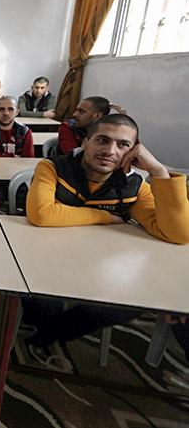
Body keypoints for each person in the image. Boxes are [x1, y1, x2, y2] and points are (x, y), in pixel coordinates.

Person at [25, 114, 189, 351]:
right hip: (47, 261)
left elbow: (178, 233)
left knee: (127, 305)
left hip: (104, 268)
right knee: (37, 306)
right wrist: (104, 216)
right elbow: (42, 214)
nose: (110, 150)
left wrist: (158, 172)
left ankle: (50, 335)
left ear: (134, 152)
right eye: (102, 140)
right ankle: (41, 328)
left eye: (123, 145)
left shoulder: (133, 186)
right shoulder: (53, 168)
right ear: (85, 142)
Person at [58, 97, 126, 155]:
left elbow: (129, 150)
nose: (74, 114)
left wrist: (123, 121)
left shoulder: (107, 130)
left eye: (81, 111)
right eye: (77, 110)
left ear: (97, 116)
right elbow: (71, 155)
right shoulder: (68, 126)